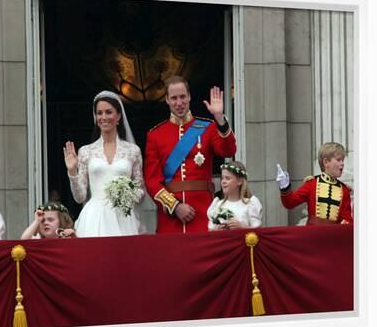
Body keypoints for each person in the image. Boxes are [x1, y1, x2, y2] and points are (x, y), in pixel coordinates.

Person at [144, 76, 237, 234]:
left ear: (189, 97)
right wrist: (175, 206)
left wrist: (220, 118)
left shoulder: (208, 127)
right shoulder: (155, 135)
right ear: (166, 99)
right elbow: (152, 181)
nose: (179, 103)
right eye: (174, 98)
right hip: (171, 218)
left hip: (203, 212)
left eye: (182, 97)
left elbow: (228, 151)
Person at [63, 90, 145, 237]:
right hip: (94, 217)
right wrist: (72, 171)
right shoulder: (86, 151)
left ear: (118, 116)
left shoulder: (133, 151)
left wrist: (125, 194)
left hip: (123, 218)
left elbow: (141, 191)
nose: (103, 117)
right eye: (99, 113)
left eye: (108, 112)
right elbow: (79, 196)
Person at [276, 142, 353, 225]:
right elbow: (290, 203)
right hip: (313, 235)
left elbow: (347, 219)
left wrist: (345, 223)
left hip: (333, 236)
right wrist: (285, 186)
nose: (342, 163)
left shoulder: (344, 190)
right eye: (338, 160)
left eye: (342, 160)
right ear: (326, 162)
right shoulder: (312, 184)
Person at [207, 161, 262, 230]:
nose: (223, 181)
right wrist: (217, 229)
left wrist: (243, 227)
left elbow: (258, 231)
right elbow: (210, 231)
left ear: (239, 181)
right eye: (222, 178)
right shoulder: (218, 205)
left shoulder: (250, 204)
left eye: (227, 178)